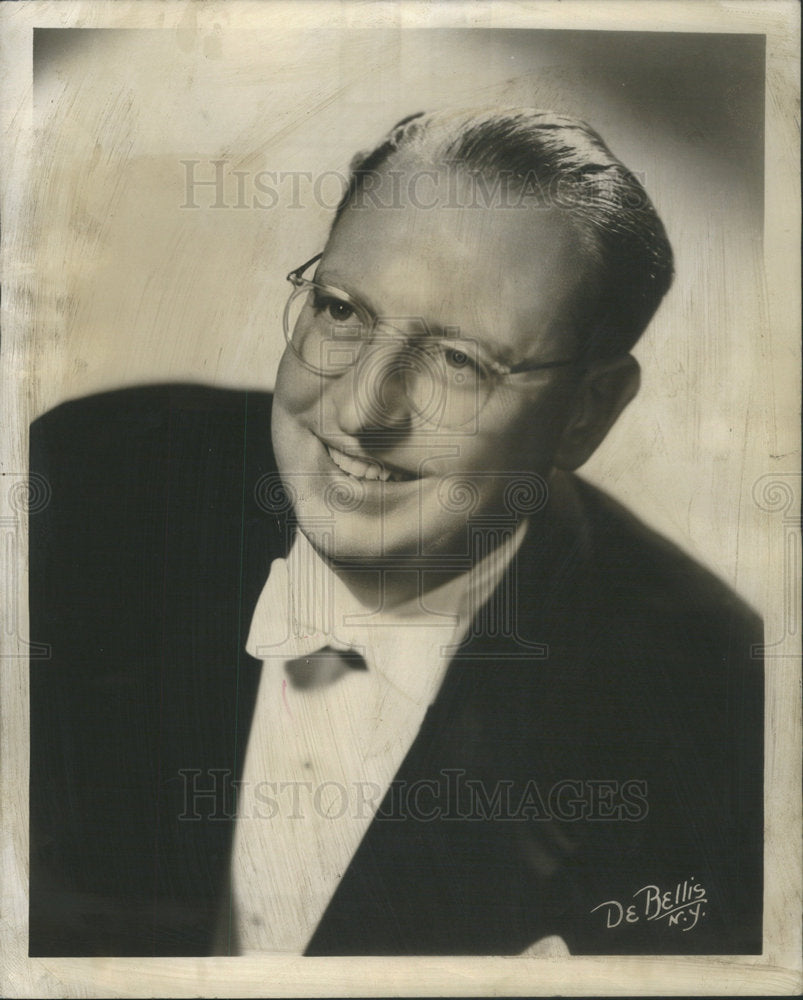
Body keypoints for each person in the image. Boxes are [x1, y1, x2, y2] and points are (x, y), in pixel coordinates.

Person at [28, 108, 763, 958]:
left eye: (460, 362)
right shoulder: (86, 485)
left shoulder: (720, 720)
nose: (360, 411)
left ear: (586, 413)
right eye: (341, 310)